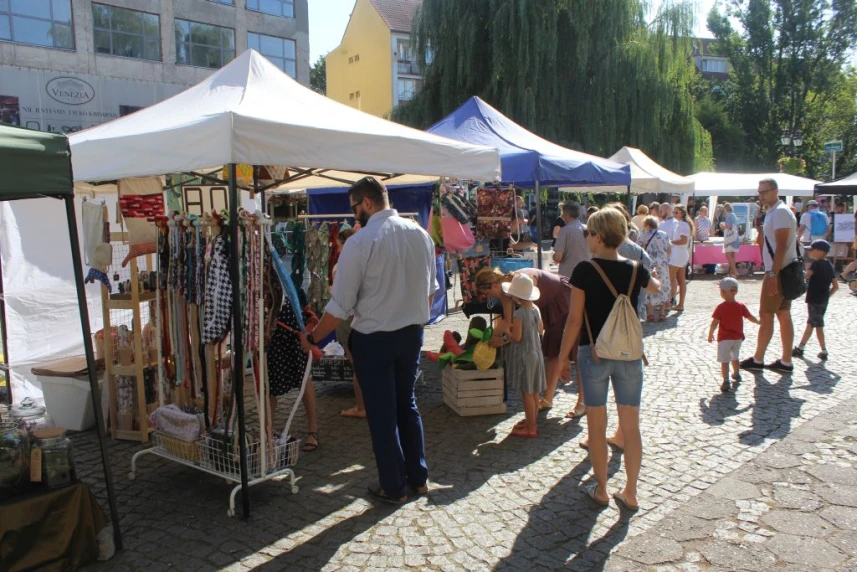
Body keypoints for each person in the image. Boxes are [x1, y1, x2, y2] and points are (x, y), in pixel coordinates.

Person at [301, 176, 437, 504]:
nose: (353, 216)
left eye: (354, 208)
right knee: (407, 404)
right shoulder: (420, 235)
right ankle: (417, 478)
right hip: (411, 334)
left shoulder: (361, 243)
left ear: (367, 203)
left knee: (382, 413)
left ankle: (393, 486)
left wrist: (313, 337)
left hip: (375, 338)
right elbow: (431, 295)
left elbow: (340, 305)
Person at [558, 206, 660, 510]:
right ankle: (630, 492)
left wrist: (564, 358)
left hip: (595, 355)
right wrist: (642, 275)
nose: (587, 237)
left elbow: (574, 321)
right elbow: (655, 287)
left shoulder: (585, 270)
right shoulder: (634, 266)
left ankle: (601, 489)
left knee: (597, 427)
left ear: (599, 237)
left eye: (589, 232)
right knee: (631, 426)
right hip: (629, 354)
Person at [475, 266, 577, 415]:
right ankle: (545, 401)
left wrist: (503, 339)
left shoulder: (523, 282)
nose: (491, 298)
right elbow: (508, 323)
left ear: (494, 285)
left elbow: (520, 330)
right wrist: (492, 338)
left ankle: (558, 400)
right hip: (543, 307)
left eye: (489, 294)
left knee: (557, 347)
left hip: (560, 297)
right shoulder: (507, 292)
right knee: (551, 349)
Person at [740, 178, 798, 373]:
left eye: (764, 192)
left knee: (767, 314)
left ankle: (759, 358)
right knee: (783, 314)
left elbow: (781, 245)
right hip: (781, 269)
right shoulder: (775, 211)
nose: (761, 195)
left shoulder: (780, 212)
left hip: (778, 270)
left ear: (775, 191)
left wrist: (773, 273)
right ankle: (786, 360)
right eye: (759, 192)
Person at [499, 274, 546, 438]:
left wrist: (507, 331)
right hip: (537, 353)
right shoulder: (536, 309)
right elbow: (541, 330)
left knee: (527, 393)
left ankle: (531, 427)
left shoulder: (519, 314)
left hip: (525, 356)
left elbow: (517, 338)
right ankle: (531, 422)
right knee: (534, 393)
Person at [332, 228, 366, 419]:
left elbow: (341, 298)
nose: (338, 250)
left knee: (357, 366)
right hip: (364, 317)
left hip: (348, 319)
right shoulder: (366, 263)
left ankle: (361, 407)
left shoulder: (341, 267)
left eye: (339, 246)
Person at [708, 277, 760, 393]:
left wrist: (710, 334)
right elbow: (750, 317)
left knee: (725, 361)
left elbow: (714, 323)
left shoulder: (721, 307)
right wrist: (759, 322)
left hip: (724, 339)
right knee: (735, 357)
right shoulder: (741, 306)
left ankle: (726, 380)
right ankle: (736, 374)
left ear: (722, 292)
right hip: (737, 338)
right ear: (736, 291)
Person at [792, 240, 838, 360]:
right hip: (823, 300)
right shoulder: (829, 265)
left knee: (816, 325)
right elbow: (836, 286)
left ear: (819, 251)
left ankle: (823, 350)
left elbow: (806, 276)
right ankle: (801, 347)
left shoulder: (816, 264)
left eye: (812, 249)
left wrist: (795, 275)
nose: (810, 252)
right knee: (812, 324)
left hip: (814, 299)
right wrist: (827, 296)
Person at [637, 216, 671, 321]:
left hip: (649, 264)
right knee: (663, 287)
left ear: (647, 225)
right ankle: (662, 313)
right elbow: (669, 250)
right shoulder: (664, 235)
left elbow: (638, 249)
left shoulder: (643, 235)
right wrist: (664, 259)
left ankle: (650, 314)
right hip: (662, 264)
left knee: (649, 286)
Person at [553, 202, 590, 278]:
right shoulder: (588, 229)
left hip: (568, 274)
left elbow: (558, 257)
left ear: (566, 215)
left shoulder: (564, 231)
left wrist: (553, 256)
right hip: (587, 272)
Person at [668, 204, 693, 312]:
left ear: (682, 213)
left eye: (676, 212)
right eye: (673, 212)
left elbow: (683, 240)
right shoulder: (682, 224)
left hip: (678, 254)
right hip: (681, 254)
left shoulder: (682, 224)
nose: (674, 214)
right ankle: (680, 304)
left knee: (668, 279)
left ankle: (668, 303)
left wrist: (670, 242)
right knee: (681, 280)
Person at [721, 202, 740, 278]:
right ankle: (732, 273)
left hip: (730, 238)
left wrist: (723, 225)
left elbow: (729, 226)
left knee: (728, 255)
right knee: (732, 256)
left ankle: (735, 271)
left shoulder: (729, 216)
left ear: (725, 209)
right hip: (735, 237)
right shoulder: (734, 215)